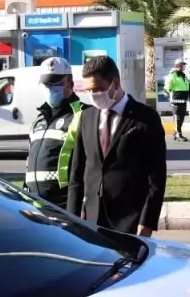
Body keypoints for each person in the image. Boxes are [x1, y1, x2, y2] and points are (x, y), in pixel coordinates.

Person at [67, 55, 167, 237]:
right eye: (88, 91)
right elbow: (77, 171)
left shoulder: (145, 118)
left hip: (129, 219)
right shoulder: (87, 117)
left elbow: (157, 176)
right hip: (92, 217)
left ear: (116, 83)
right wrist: (72, 217)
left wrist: (148, 220)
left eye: (98, 90)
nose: (93, 96)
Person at [24, 57, 84, 207]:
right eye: (46, 84)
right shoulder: (39, 120)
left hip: (64, 205)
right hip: (35, 205)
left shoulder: (82, 114)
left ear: (70, 84)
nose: (50, 88)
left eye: (56, 84)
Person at [165, 59, 190, 142]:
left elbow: (186, 86)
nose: (183, 66)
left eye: (183, 65)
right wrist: (171, 96)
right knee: (177, 118)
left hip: (183, 100)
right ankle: (178, 134)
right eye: (181, 65)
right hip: (176, 100)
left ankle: (176, 133)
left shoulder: (183, 75)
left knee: (181, 118)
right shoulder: (173, 75)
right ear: (177, 66)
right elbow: (167, 88)